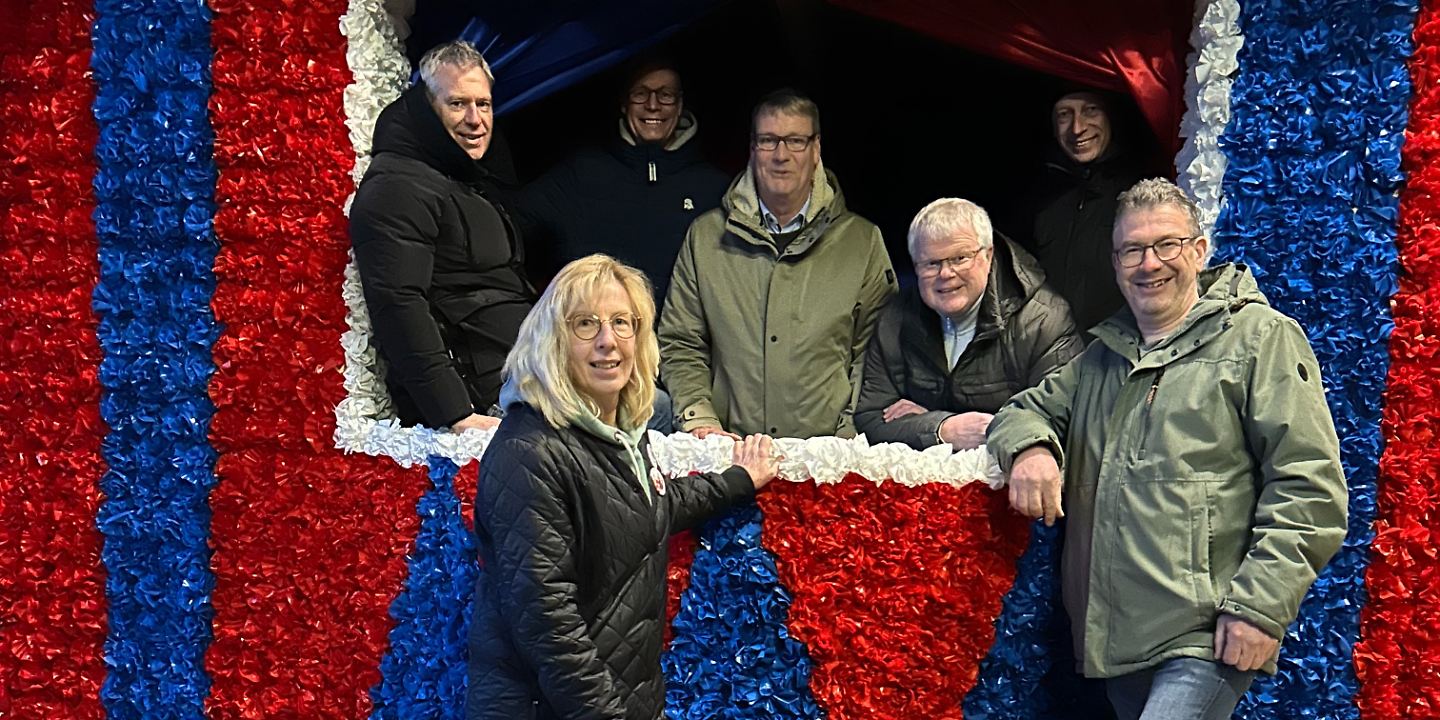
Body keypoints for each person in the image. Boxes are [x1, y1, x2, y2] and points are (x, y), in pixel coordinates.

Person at [987, 179, 1348, 720]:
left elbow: (1309, 485)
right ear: (1115, 264)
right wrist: (1032, 451)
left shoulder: (1259, 338)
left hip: (1205, 638)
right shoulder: (1101, 359)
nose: (1148, 263)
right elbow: (1022, 411)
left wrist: (1259, 608)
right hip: (1116, 643)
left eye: (1166, 245)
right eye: (1131, 249)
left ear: (1199, 251)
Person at [465, 254, 778, 719]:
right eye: (585, 324)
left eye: (622, 323)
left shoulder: (620, 433)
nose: (608, 341)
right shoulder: (528, 451)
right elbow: (548, 623)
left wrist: (737, 480)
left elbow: (645, 506)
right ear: (552, 341)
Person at [660, 89, 896, 439]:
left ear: (816, 150)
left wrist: (848, 436)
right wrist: (700, 419)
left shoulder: (861, 241)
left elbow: (875, 352)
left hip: (829, 466)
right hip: (729, 459)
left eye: (795, 141)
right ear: (753, 149)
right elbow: (681, 342)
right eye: (769, 141)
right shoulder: (706, 238)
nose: (781, 155)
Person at [350, 41, 534, 432]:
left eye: (483, 104)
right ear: (427, 107)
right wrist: (456, 415)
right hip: (490, 399)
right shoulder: (398, 185)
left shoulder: (462, 177)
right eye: (457, 104)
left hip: (522, 372)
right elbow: (399, 306)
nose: (475, 119)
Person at [855, 198, 1081, 450]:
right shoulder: (895, 318)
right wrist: (943, 428)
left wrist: (934, 423)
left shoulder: (1043, 319)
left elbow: (1062, 423)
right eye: (931, 263)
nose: (946, 274)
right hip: (924, 485)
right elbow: (871, 419)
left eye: (960, 258)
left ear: (988, 255)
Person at [517, 58, 729, 308]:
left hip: (677, 345)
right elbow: (506, 228)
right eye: (640, 94)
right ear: (623, 103)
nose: (653, 105)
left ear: (680, 104)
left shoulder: (714, 188)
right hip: (595, 341)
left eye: (665, 95)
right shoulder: (581, 173)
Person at [1028, 89, 1145, 331]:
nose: (1077, 128)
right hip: (1051, 352)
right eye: (1064, 115)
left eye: (1091, 110)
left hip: (1119, 351)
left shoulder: (1139, 191)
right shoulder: (1038, 197)